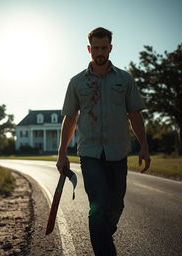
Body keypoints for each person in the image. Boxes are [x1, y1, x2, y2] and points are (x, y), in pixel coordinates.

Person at [56, 27, 151, 256]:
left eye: (104, 47)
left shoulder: (125, 79)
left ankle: (102, 234)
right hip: (90, 154)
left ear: (110, 48)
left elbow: (135, 115)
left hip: (118, 153)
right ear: (89, 49)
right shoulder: (77, 82)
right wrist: (62, 153)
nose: (99, 52)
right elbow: (70, 119)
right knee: (97, 207)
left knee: (115, 206)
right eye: (95, 48)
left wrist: (145, 147)